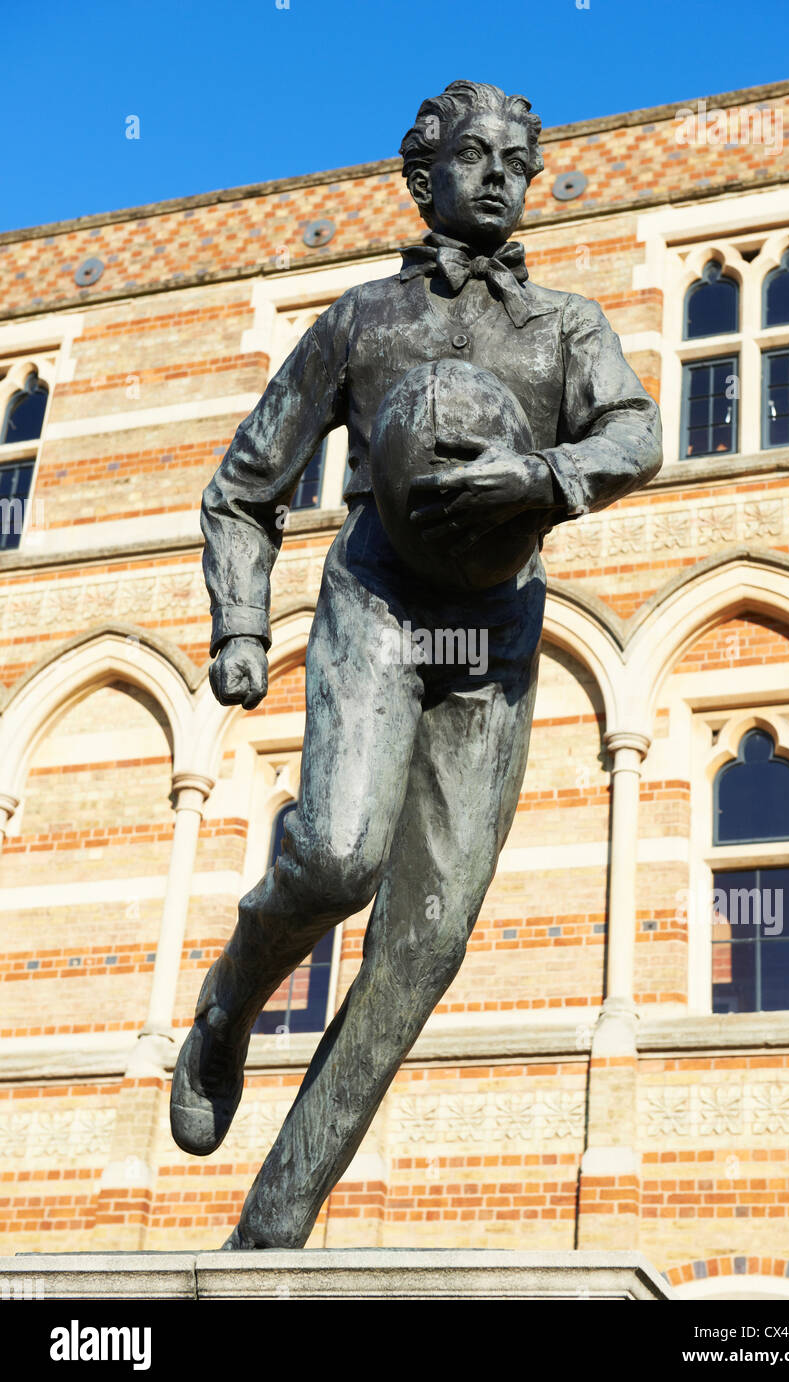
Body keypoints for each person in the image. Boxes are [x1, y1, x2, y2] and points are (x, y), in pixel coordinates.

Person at [170, 79, 663, 1249]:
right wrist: (242, 626)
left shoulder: (567, 327)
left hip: (491, 631)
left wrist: (543, 481)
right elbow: (244, 489)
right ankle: (230, 999)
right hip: (379, 605)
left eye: (518, 161)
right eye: (475, 154)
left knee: (424, 944)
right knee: (338, 854)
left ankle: (275, 1217)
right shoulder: (359, 322)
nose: (499, 174)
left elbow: (636, 432)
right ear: (422, 174)